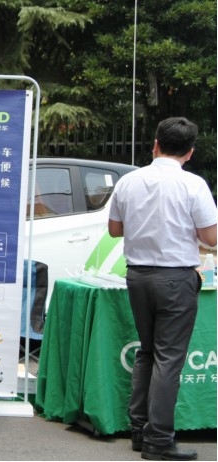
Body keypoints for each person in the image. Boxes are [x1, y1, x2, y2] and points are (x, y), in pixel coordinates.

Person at [108, 117, 217, 461]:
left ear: (155, 144)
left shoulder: (129, 181)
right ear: (190, 152)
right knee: (169, 358)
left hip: (138, 275)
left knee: (148, 351)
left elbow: (114, 229)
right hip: (176, 278)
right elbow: (211, 237)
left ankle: (140, 429)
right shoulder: (193, 185)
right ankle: (159, 439)